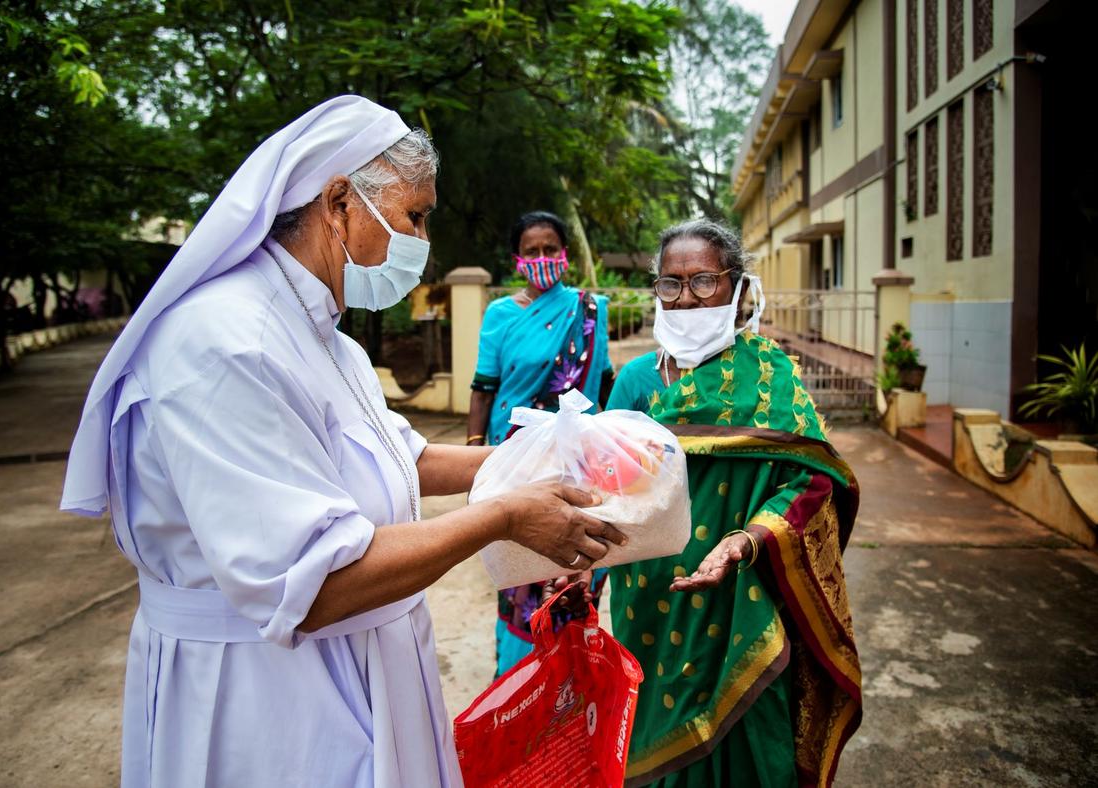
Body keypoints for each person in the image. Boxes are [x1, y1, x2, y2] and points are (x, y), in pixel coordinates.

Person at [60, 96, 625, 787]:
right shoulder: (225, 342)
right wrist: (504, 516)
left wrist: (561, 454)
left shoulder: (326, 338)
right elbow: (316, 582)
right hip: (260, 694)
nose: (423, 241)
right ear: (338, 204)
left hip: (360, 659)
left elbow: (406, 459)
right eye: (416, 216)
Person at [605, 219, 862, 787]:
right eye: (670, 284)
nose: (687, 299)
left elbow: (813, 485)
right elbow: (610, 491)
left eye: (704, 281)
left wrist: (745, 540)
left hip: (742, 594)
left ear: (738, 289)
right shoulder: (636, 381)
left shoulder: (771, 378)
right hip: (648, 598)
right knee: (652, 733)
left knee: (748, 739)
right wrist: (582, 568)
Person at [466, 210, 615, 676]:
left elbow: (603, 384)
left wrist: (608, 450)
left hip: (576, 463)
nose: (542, 258)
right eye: (531, 251)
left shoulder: (590, 310)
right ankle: (518, 676)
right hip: (515, 464)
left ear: (564, 254)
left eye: (550, 249)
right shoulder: (501, 314)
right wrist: (475, 455)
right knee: (520, 569)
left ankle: (568, 679)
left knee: (576, 563)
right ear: (517, 259)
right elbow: (484, 386)